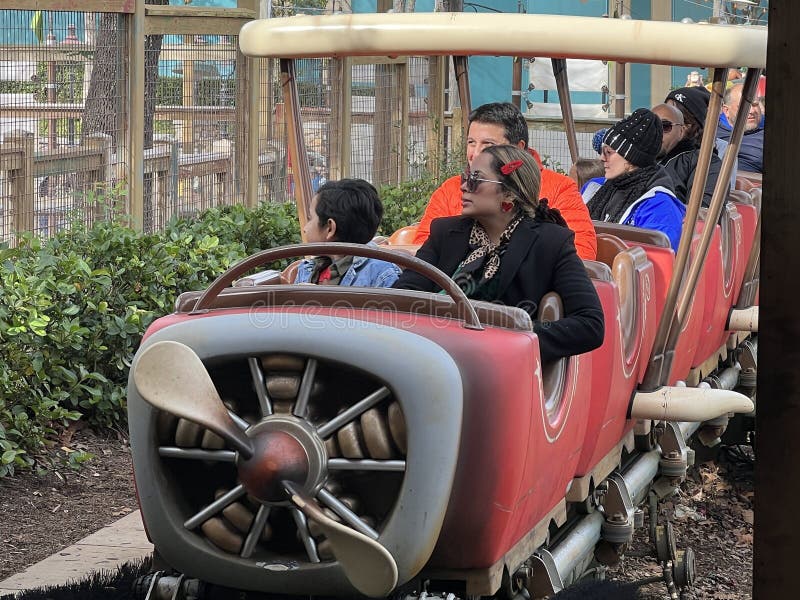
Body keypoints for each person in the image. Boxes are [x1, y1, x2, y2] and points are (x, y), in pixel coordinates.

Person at [394, 145, 604, 363]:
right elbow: (402, 296)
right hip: (430, 354)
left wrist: (510, 340)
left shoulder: (550, 243)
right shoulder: (446, 233)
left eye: (475, 179)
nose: (464, 187)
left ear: (509, 193)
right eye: (465, 177)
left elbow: (589, 324)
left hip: (497, 367)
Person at [413, 102, 597, 260]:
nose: (476, 153)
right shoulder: (451, 188)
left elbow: (581, 252)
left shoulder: (558, 188)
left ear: (518, 149)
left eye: (488, 145)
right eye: (471, 142)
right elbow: (424, 246)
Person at [582, 108, 686, 250]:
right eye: (602, 150)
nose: (601, 158)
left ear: (631, 157)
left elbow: (655, 263)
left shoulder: (660, 205)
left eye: (608, 152)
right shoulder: (593, 187)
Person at [295, 179, 401, 287]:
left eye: (310, 219)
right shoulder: (307, 269)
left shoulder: (381, 274)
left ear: (330, 228)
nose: (305, 228)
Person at [654, 95, 725, 207]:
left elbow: (702, 211)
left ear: (685, 127)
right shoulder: (638, 158)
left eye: (665, 126)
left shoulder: (705, 162)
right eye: (652, 125)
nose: (656, 132)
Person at [717, 82, 764, 173]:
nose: (752, 111)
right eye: (745, 106)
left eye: (755, 105)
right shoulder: (711, 133)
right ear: (726, 110)